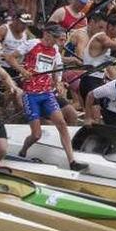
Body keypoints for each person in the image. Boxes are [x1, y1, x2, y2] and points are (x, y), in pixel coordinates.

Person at [9, 25, 84, 169]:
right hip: (31, 95)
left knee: (62, 124)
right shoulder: (32, 44)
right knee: (36, 135)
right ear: (47, 35)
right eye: (55, 38)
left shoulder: (55, 49)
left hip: (47, 93)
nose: (57, 42)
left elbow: (56, 69)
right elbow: (10, 57)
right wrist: (22, 70)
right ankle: (23, 151)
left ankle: (72, 161)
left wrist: (58, 82)